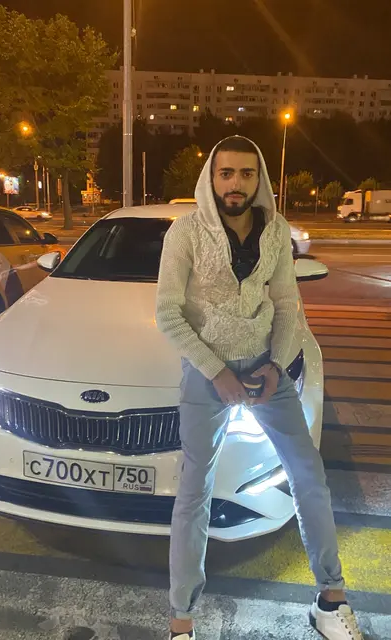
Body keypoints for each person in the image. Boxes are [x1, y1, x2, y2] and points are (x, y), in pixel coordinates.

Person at [155, 136, 363, 640]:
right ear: (211, 178)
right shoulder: (186, 232)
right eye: (226, 173)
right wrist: (216, 371)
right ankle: (181, 622)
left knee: (309, 475)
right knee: (194, 493)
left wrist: (276, 365)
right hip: (207, 376)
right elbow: (168, 314)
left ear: (259, 179)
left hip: (267, 370)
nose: (236, 183)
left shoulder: (276, 231)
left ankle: (331, 600)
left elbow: (288, 305)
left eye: (246, 174)